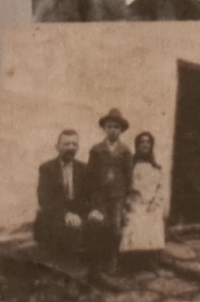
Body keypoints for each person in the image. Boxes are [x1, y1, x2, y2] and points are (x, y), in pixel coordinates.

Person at [34, 129, 89, 299]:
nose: (71, 147)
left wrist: (93, 210)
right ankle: (61, 282)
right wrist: (65, 214)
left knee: (96, 226)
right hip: (54, 215)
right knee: (62, 234)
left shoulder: (83, 168)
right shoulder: (47, 168)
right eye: (66, 144)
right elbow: (45, 199)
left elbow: (90, 195)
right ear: (57, 147)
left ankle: (85, 277)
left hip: (77, 214)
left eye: (74, 144)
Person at [87, 108, 132, 289]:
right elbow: (90, 175)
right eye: (109, 126)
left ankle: (111, 262)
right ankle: (97, 265)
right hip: (100, 196)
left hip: (117, 196)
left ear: (121, 131)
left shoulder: (125, 151)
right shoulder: (96, 150)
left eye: (117, 127)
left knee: (115, 229)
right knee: (99, 227)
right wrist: (92, 198)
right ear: (104, 128)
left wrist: (126, 197)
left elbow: (128, 176)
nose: (113, 130)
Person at [120, 132, 165, 271]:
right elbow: (127, 185)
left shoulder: (156, 167)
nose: (145, 145)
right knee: (135, 222)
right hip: (136, 202)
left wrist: (155, 202)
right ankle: (133, 263)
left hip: (151, 204)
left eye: (148, 142)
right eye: (142, 142)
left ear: (151, 145)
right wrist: (130, 200)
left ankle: (149, 261)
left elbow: (160, 187)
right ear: (137, 145)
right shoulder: (130, 165)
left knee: (153, 221)